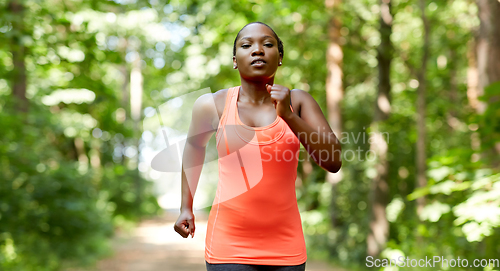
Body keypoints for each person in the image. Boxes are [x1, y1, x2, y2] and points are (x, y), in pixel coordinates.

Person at [174, 22, 342, 271]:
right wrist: (185, 207)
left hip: (287, 248)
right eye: (246, 45)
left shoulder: (299, 101)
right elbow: (194, 150)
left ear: (280, 57)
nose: (257, 50)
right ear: (235, 60)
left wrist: (289, 116)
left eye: (267, 44)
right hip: (228, 247)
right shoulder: (212, 105)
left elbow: (333, 161)